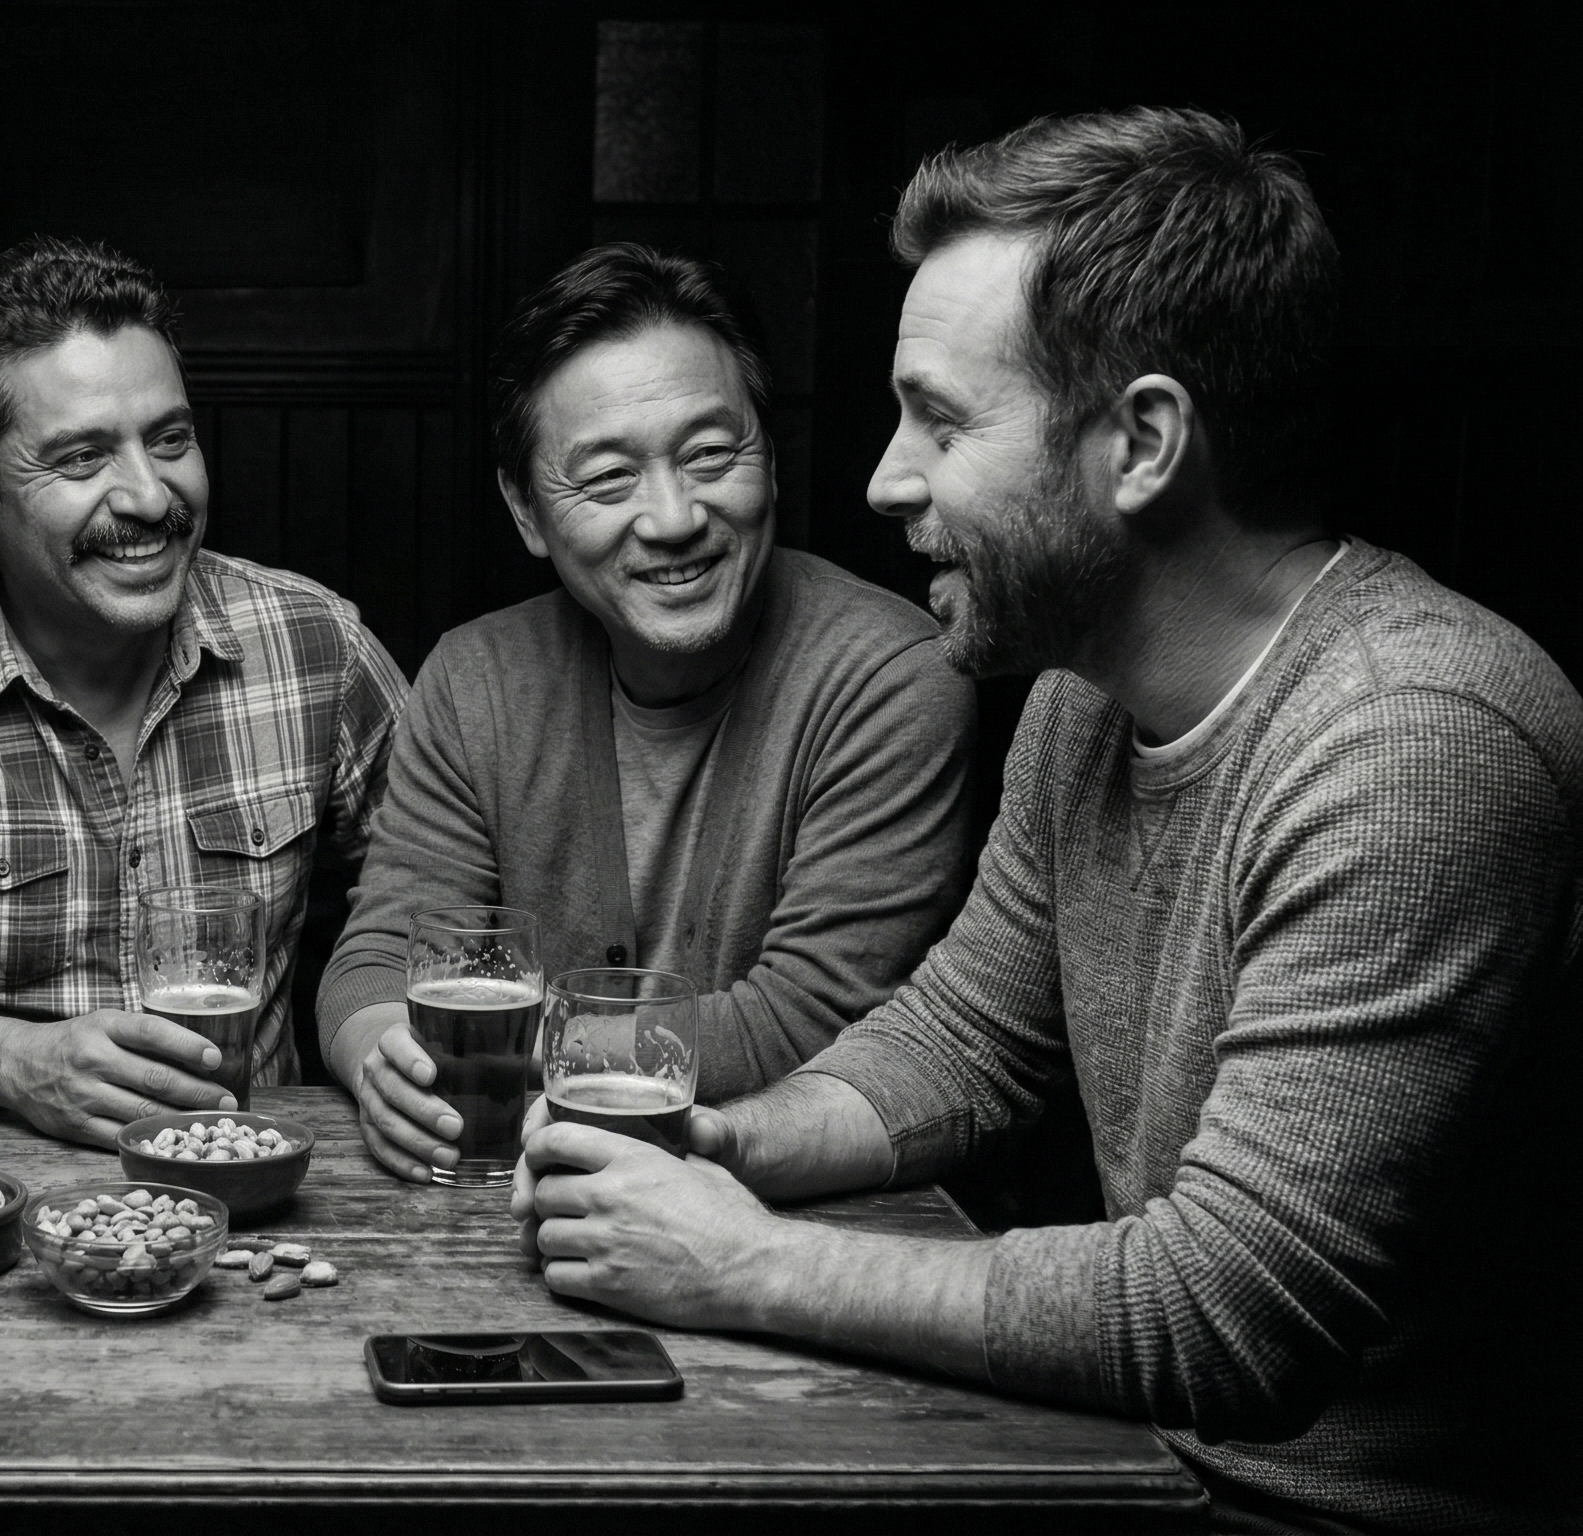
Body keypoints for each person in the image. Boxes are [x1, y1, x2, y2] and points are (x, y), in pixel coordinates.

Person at [514, 110, 1581, 1534]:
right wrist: (727, 1149)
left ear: (1141, 441)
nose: (886, 479)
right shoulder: (1087, 696)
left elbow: (1231, 1315)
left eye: (942, 420)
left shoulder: (1420, 741)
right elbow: (962, 1040)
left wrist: (745, 1265)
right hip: (1118, 1460)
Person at [323, 244, 977, 1183]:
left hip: (787, 1209)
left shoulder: (891, 674)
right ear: (526, 512)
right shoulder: (476, 677)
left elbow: (811, 1017)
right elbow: (382, 958)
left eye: (712, 454)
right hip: (492, 1202)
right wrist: (391, 1059)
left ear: (771, 455)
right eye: (607, 479)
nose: (673, 517)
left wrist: (493, 1047)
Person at [0, 235, 408, 1148]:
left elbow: (438, 900)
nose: (151, 499)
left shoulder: (316, 644)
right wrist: (9, 1059)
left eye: (170, 440)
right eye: (81, 459)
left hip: (257, 1181)